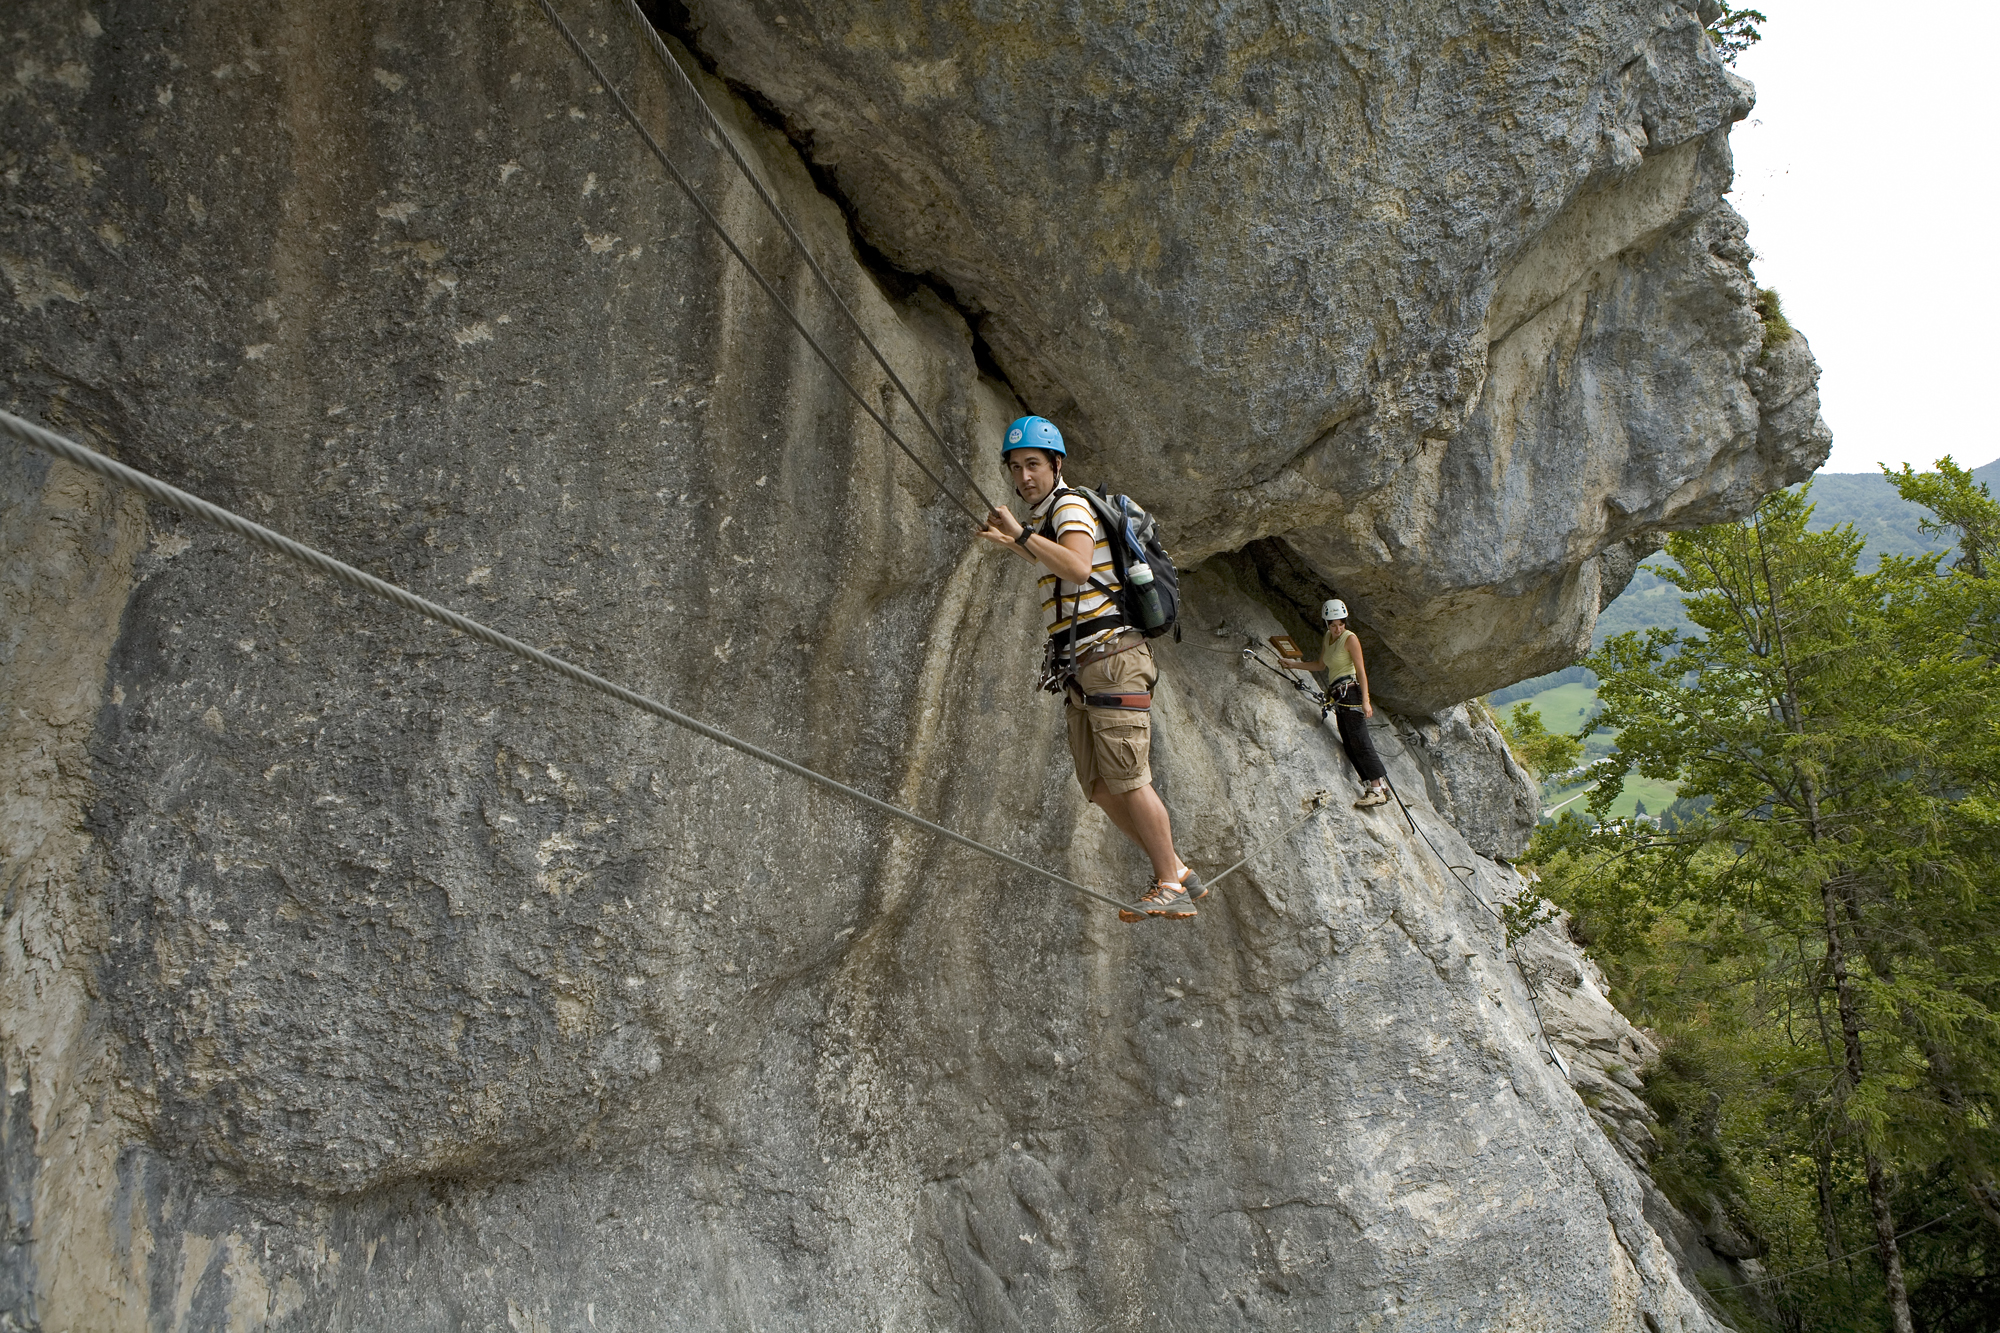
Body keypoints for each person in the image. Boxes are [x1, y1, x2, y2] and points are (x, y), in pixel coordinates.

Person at [976, 415, 1205, 921]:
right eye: (1015, 468)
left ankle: (1169, 883)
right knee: (1100, 787)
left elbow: (1078, 566)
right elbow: (1069, 571)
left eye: (1033, 464)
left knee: (1129, 778)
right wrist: (1015, 541)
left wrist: (1020, 534)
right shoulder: (1051, 517)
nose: (1024, 478)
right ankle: (1178, 869)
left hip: (1112, 660)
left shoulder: (1069, 505)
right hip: (1083, 670)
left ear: (1056, 463)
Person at [1279, 599, 1390, 808]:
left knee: (1359, 740)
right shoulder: (1328, 638)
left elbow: (1361, 671)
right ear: (1327, 624)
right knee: (1349, 742)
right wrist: (1293, 664)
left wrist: (1366, 701)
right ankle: (1378, 785)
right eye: (1333, 625)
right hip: (1339, 695)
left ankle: (1377, 789)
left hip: (1351, 693)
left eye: (1341, 624)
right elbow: (1320, 665)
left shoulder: (1350, 639)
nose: (1338, 629)